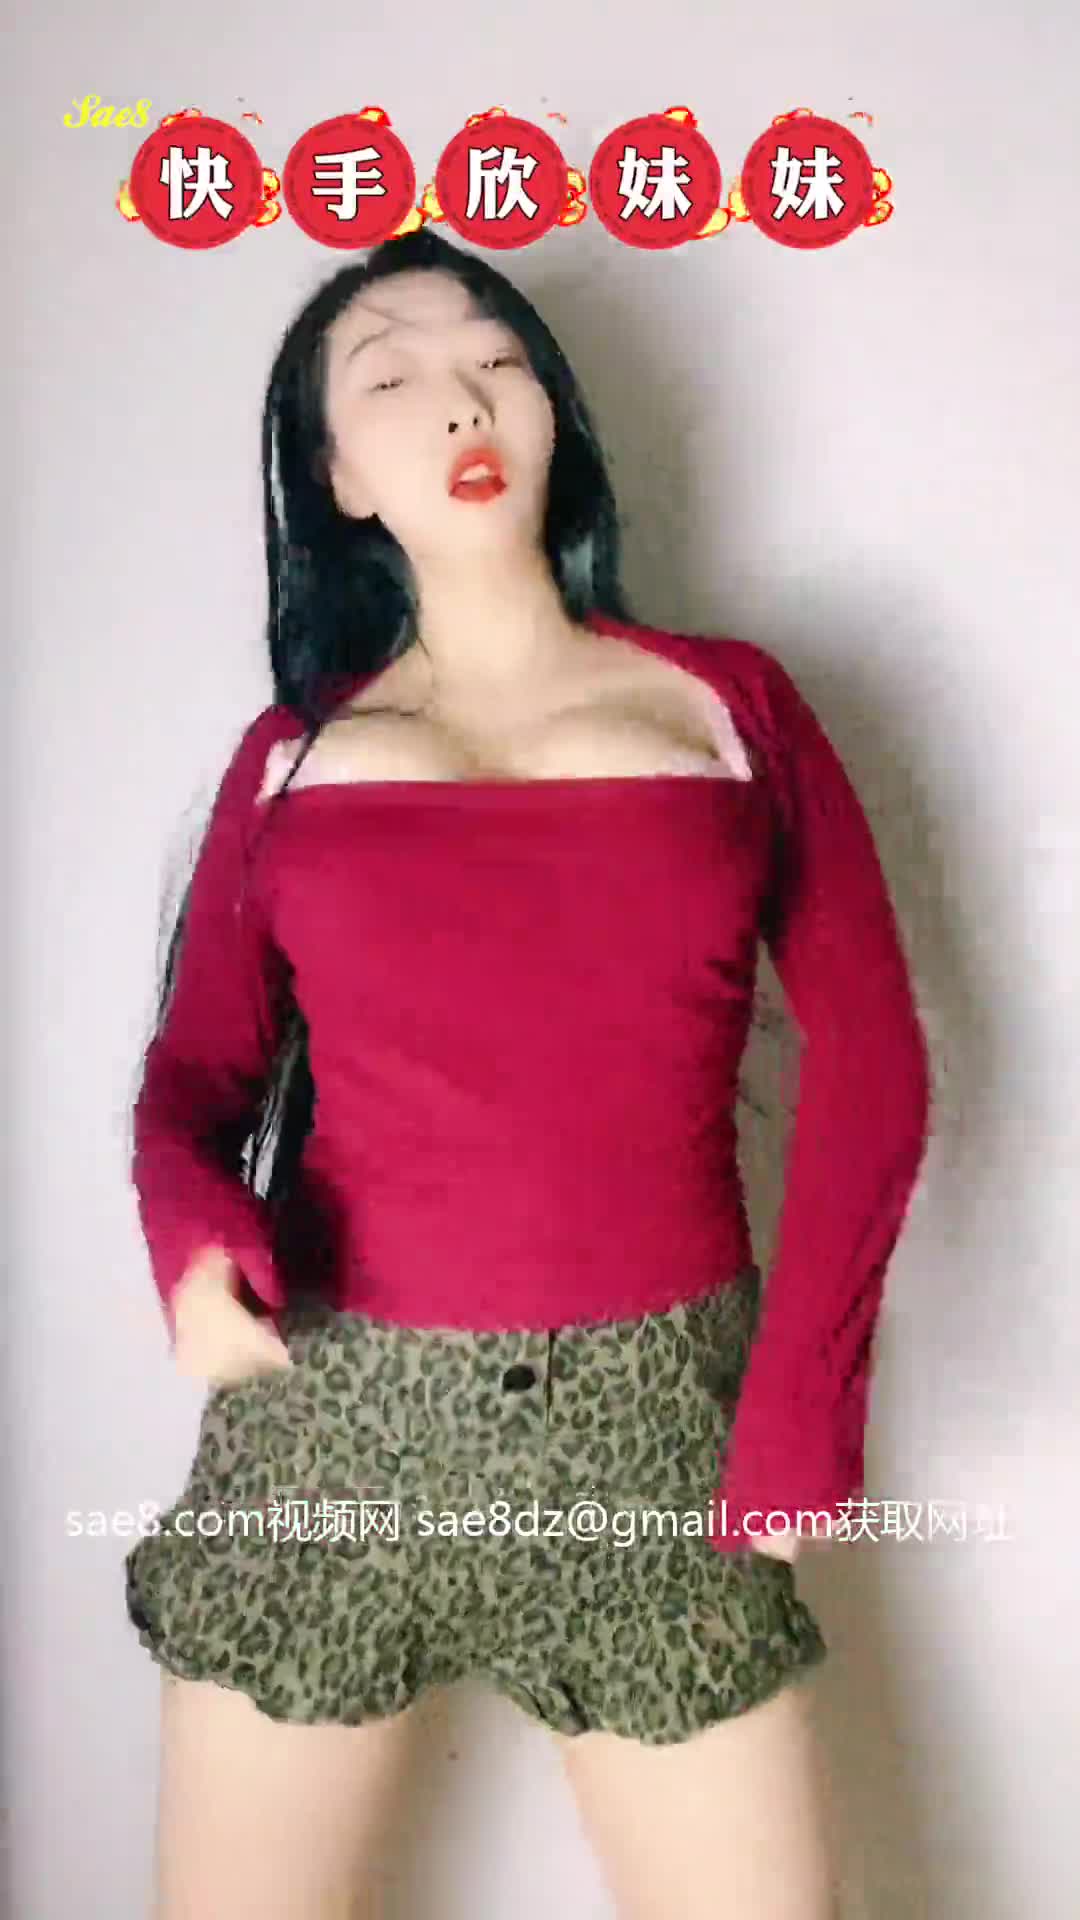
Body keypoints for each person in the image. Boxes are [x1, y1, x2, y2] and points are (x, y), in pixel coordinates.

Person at [123, 224, 931, 1920]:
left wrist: (803, 1414)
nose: (459, 402)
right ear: (338, 477)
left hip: (661, 1437)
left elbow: (872, 1071)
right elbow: (195, 1078)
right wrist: (196, 1242)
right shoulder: (293, 763)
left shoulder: (730, 708)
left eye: (496, 359)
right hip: (330, 1430)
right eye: (392, 379)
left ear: (554, 409)